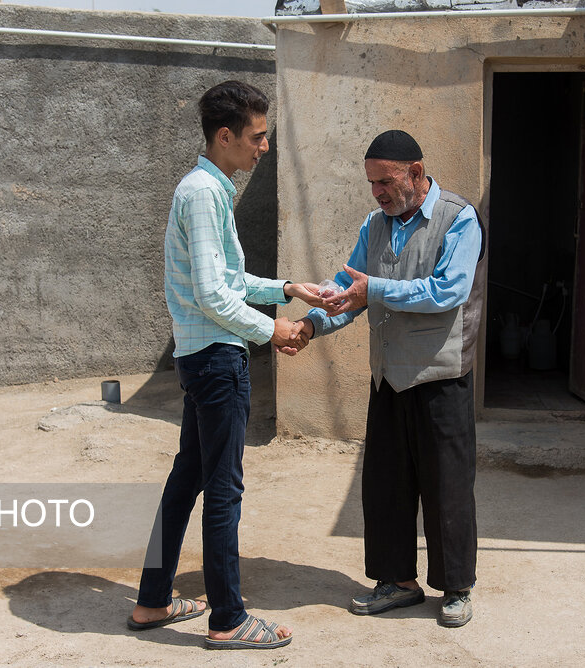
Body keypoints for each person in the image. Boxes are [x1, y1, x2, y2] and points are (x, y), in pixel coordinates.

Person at [128, 80, 319, 650]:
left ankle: (152, 600)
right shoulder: (204, 193)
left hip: (201, 355)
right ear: (226, 135)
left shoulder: (205, 188)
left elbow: (228, 281)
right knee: (223, 489)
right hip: (216, 360)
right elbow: (214, 296)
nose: (264, 148)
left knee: (187, 478)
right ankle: (228, 619)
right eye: (258, 138)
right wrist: (274, 330)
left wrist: (287, 288)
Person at [295, 130, 486, 628]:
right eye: (372, 183)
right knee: (386, 486)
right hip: (389, 379)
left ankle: (456, 588)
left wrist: (371, 289)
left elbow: (449, 290)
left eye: (386, 181)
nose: (377, 192)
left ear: (416, 174)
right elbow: (348, 291)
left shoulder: (459, 218)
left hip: (442, 377)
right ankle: (397, 582)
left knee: (447, 486)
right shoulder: (375, 225)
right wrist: (311, 324)